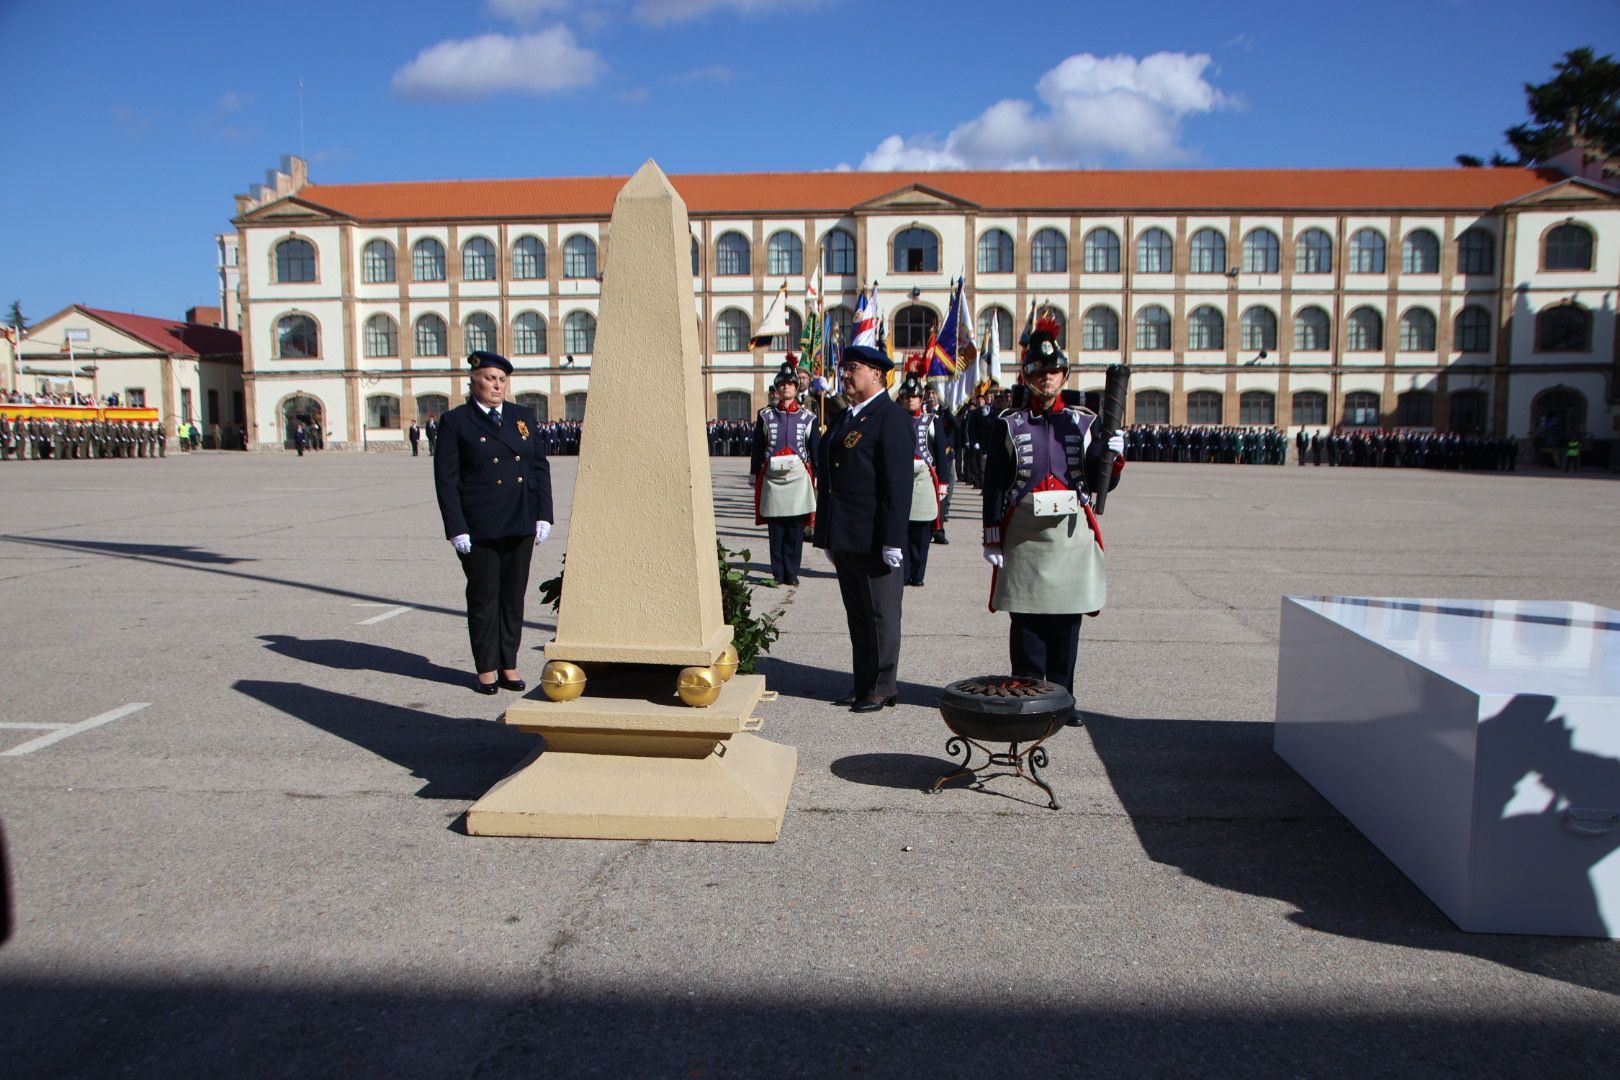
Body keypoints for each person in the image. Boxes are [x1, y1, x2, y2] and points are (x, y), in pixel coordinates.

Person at [982, 317, 1125, 726]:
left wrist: (1113, 457)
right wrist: (992, 537)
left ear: (1064, 375)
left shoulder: (1084, 421)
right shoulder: (1009, 423)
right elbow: (994, 482)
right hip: (1024, 533)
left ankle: (1063, 698)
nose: (1047, 379)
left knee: (1066, 622)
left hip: (1068, 535)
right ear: (1028, 377)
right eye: (1039, 373)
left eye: (1054, 372)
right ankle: (1028, 695)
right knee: (1026, 623)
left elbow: (1103, 483)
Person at [434, 351, 555, 695]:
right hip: (480, 526)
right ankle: (486, 667)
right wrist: (456, 526)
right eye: (490, 378)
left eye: (502, 380)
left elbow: (538, 466)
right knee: (485, 599)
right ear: (473, 381)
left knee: (512, 599)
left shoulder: (522, 416)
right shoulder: (457, 421)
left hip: (519, 521)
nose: (497, 385)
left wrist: (544, 513)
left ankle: (509, 663)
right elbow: (447, 479)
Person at [812, 345, 912, 714]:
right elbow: (831, 478)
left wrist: (893, 539)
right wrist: (827, 533)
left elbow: (897, 485)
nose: (846, 375)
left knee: (881, 614)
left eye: (853, 368)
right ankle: (862, 683)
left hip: (874, 537)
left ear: (877, 374)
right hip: (846, 537)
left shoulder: (891, 417)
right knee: (858, 614)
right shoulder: (843, 418)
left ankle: (884, 685)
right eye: (844, 368)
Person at [751, 365, 819, 586]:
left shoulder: (808, 417)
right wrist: (754, 472)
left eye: (790, 384)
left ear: (796, 387)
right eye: (782, 384)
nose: (786, 388)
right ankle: (777, 572)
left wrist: (817, 474)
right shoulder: (765, 415)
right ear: (777, 389)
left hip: (798, 478)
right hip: (773, 477)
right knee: (776, 527)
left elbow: (814, 448)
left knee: (795, 528)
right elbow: (758, 446)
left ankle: (792, 572)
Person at [899, 378, 948, 587]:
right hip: (901, 478)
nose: (911, 401)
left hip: (926, 478)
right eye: (907, 397)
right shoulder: (895, 419)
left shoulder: (932, 421)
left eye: (915, 397)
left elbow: (940, 453)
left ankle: (918, 574)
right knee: (903, 530)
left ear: (921, 399)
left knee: (922, 531)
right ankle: (904, 571)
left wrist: (944, 482)